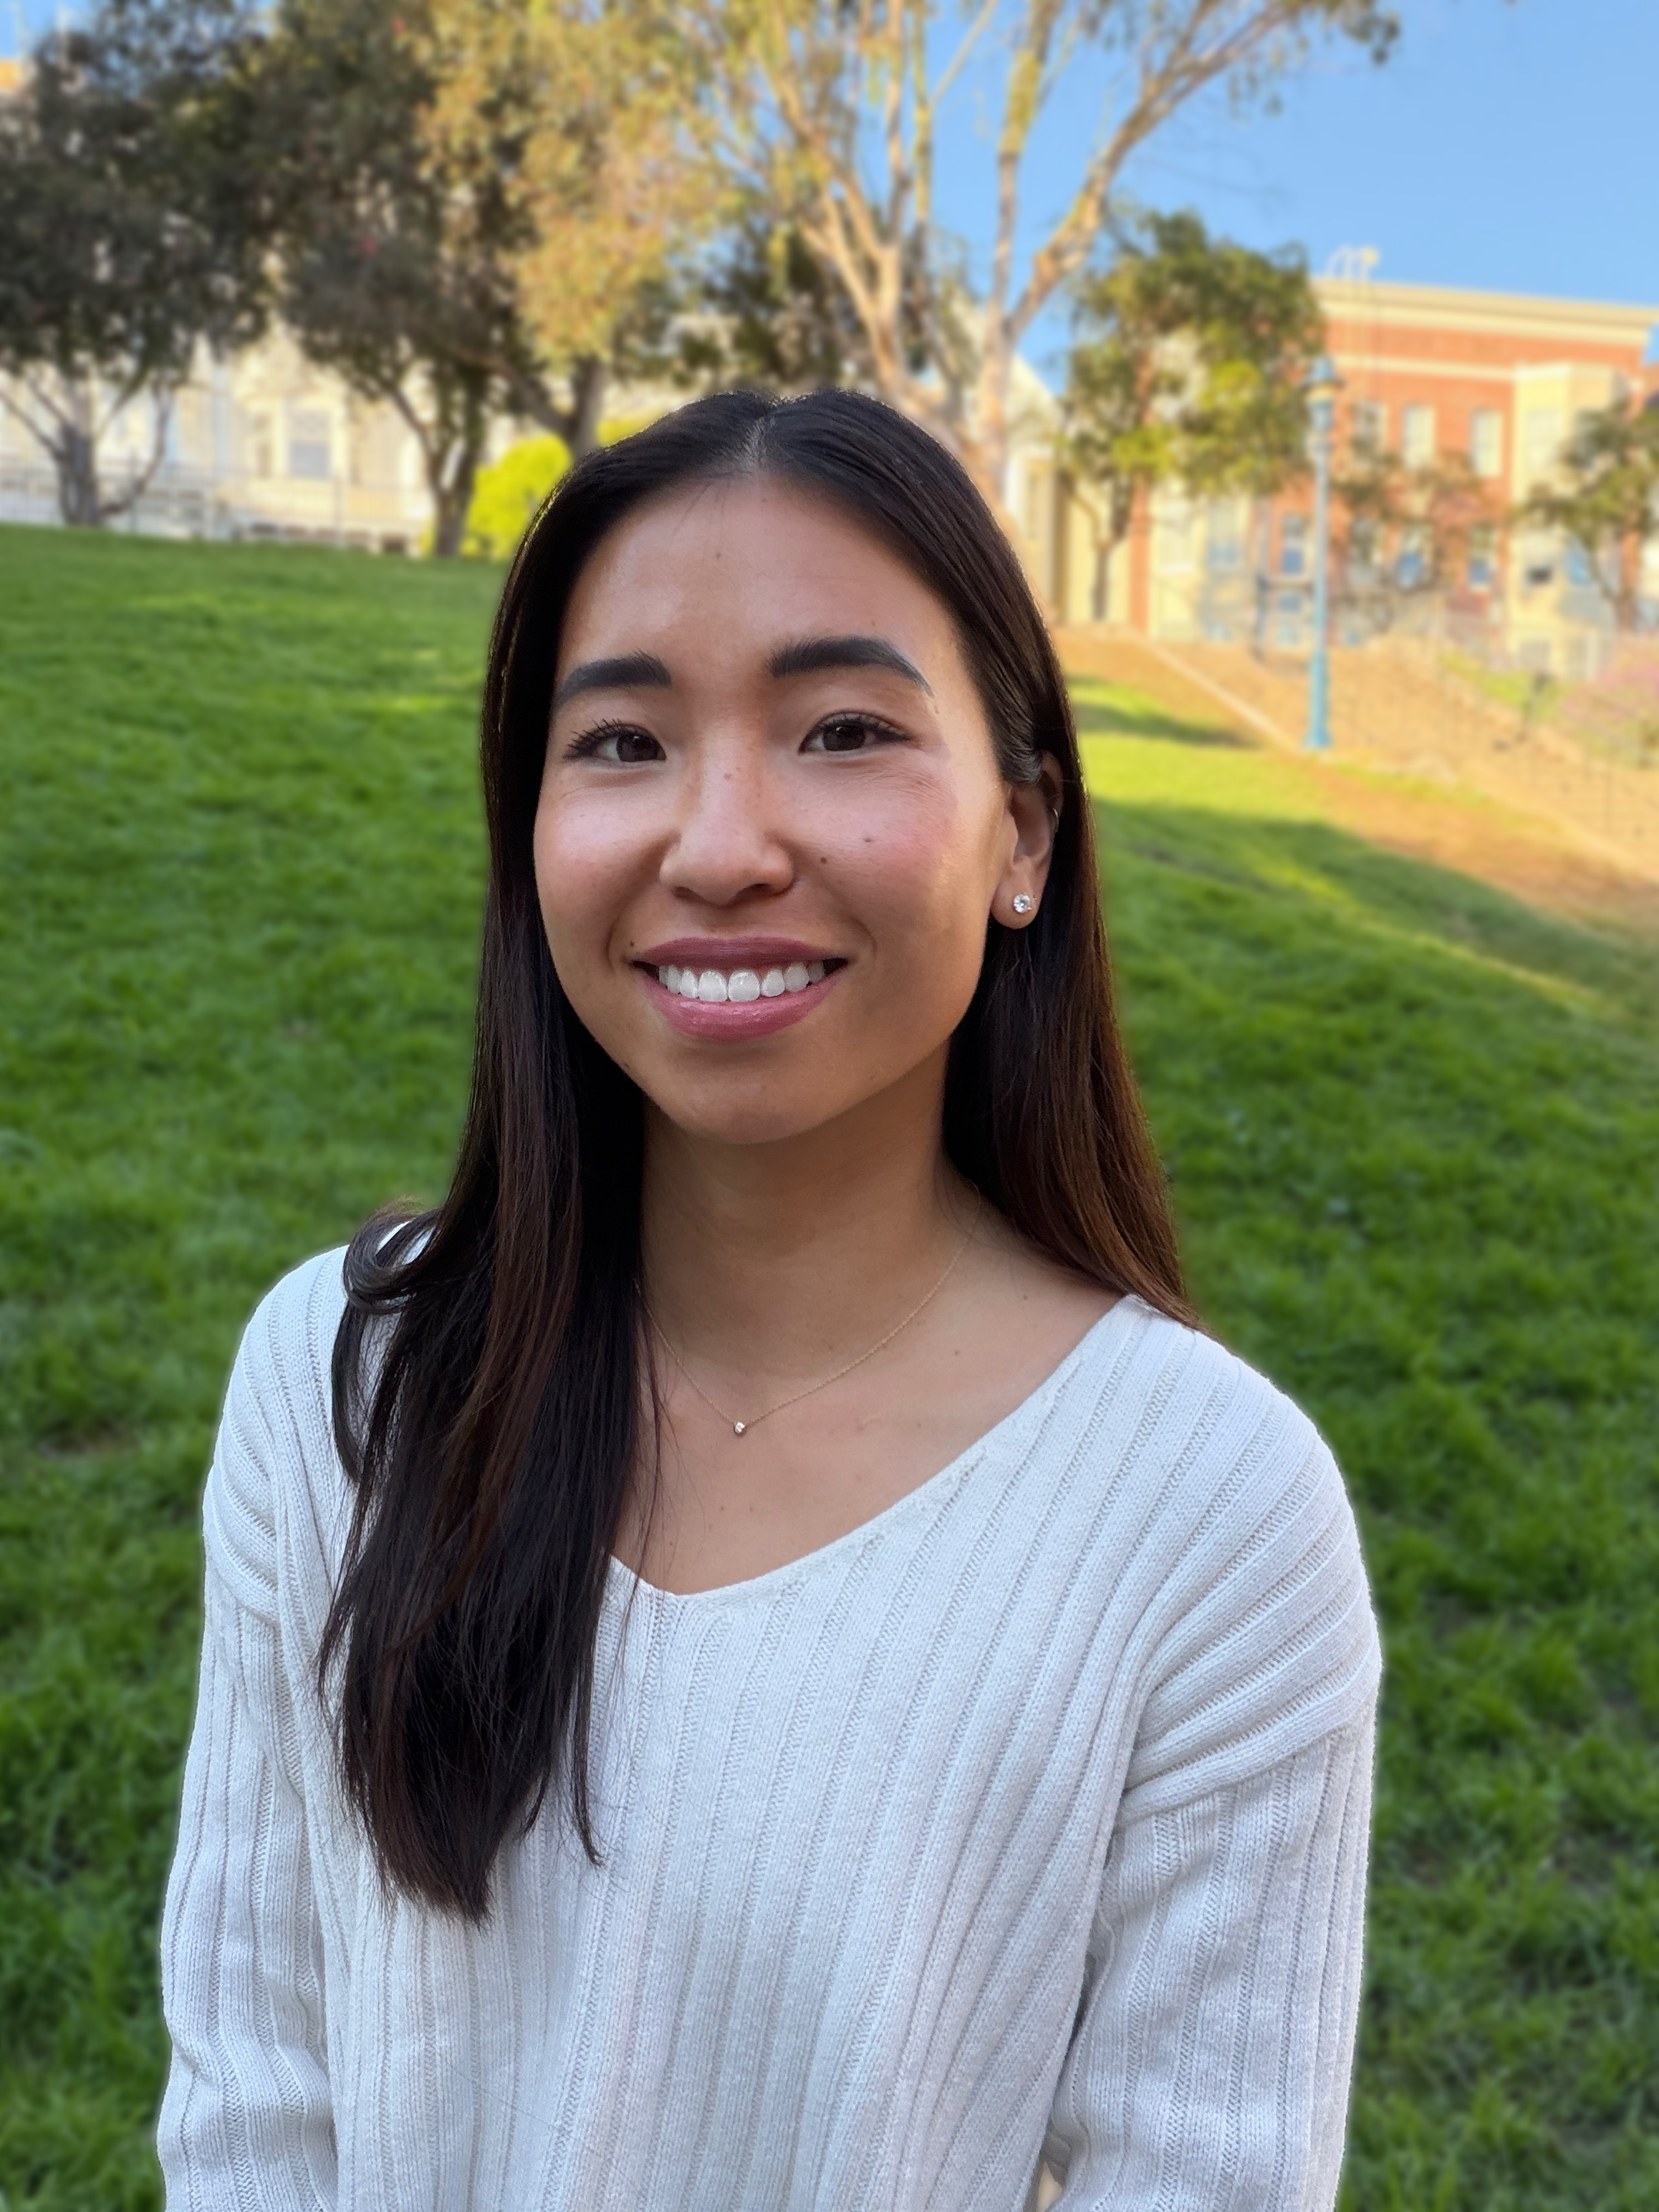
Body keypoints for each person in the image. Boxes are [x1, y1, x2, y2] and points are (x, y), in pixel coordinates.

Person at [158, 388, 1380, 2211]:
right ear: (534, 827)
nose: (720, 842)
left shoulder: (1212, 1518)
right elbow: (258, 2107)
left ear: (1023, 831)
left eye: (843, 727)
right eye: (626, 742)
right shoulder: (345, 1387)